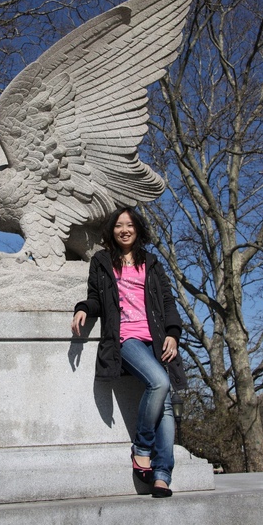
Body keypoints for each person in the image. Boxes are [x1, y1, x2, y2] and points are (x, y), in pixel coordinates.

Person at [71, 207, 187, 498]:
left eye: (130, 224)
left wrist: (173, 334)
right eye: (119, 225)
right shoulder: (101, 261)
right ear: (111, 230)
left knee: (167, 406)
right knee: (159, 382)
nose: (124, 229)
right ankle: (142, 447)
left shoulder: (152, 262)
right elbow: (95, 297)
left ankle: (161, 475)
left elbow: (167, 301)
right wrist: (83, 308)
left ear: (138, 229)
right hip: (125, 337)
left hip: (157, 338)